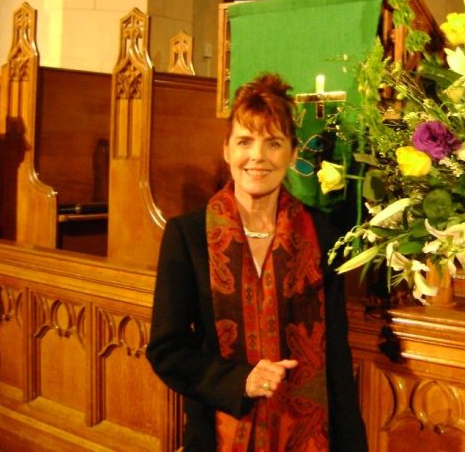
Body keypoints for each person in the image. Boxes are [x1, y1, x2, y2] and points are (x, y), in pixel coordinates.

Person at [147, 73, 368, 451]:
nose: (258, 157)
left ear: (293, 154)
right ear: (227, 150)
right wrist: (240, 381)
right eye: (245, 141)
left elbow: (335, 356)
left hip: (307, 435)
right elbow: (167, 350)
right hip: (221, 433)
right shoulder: (187, 235)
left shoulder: (323, 234)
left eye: (274, 143)